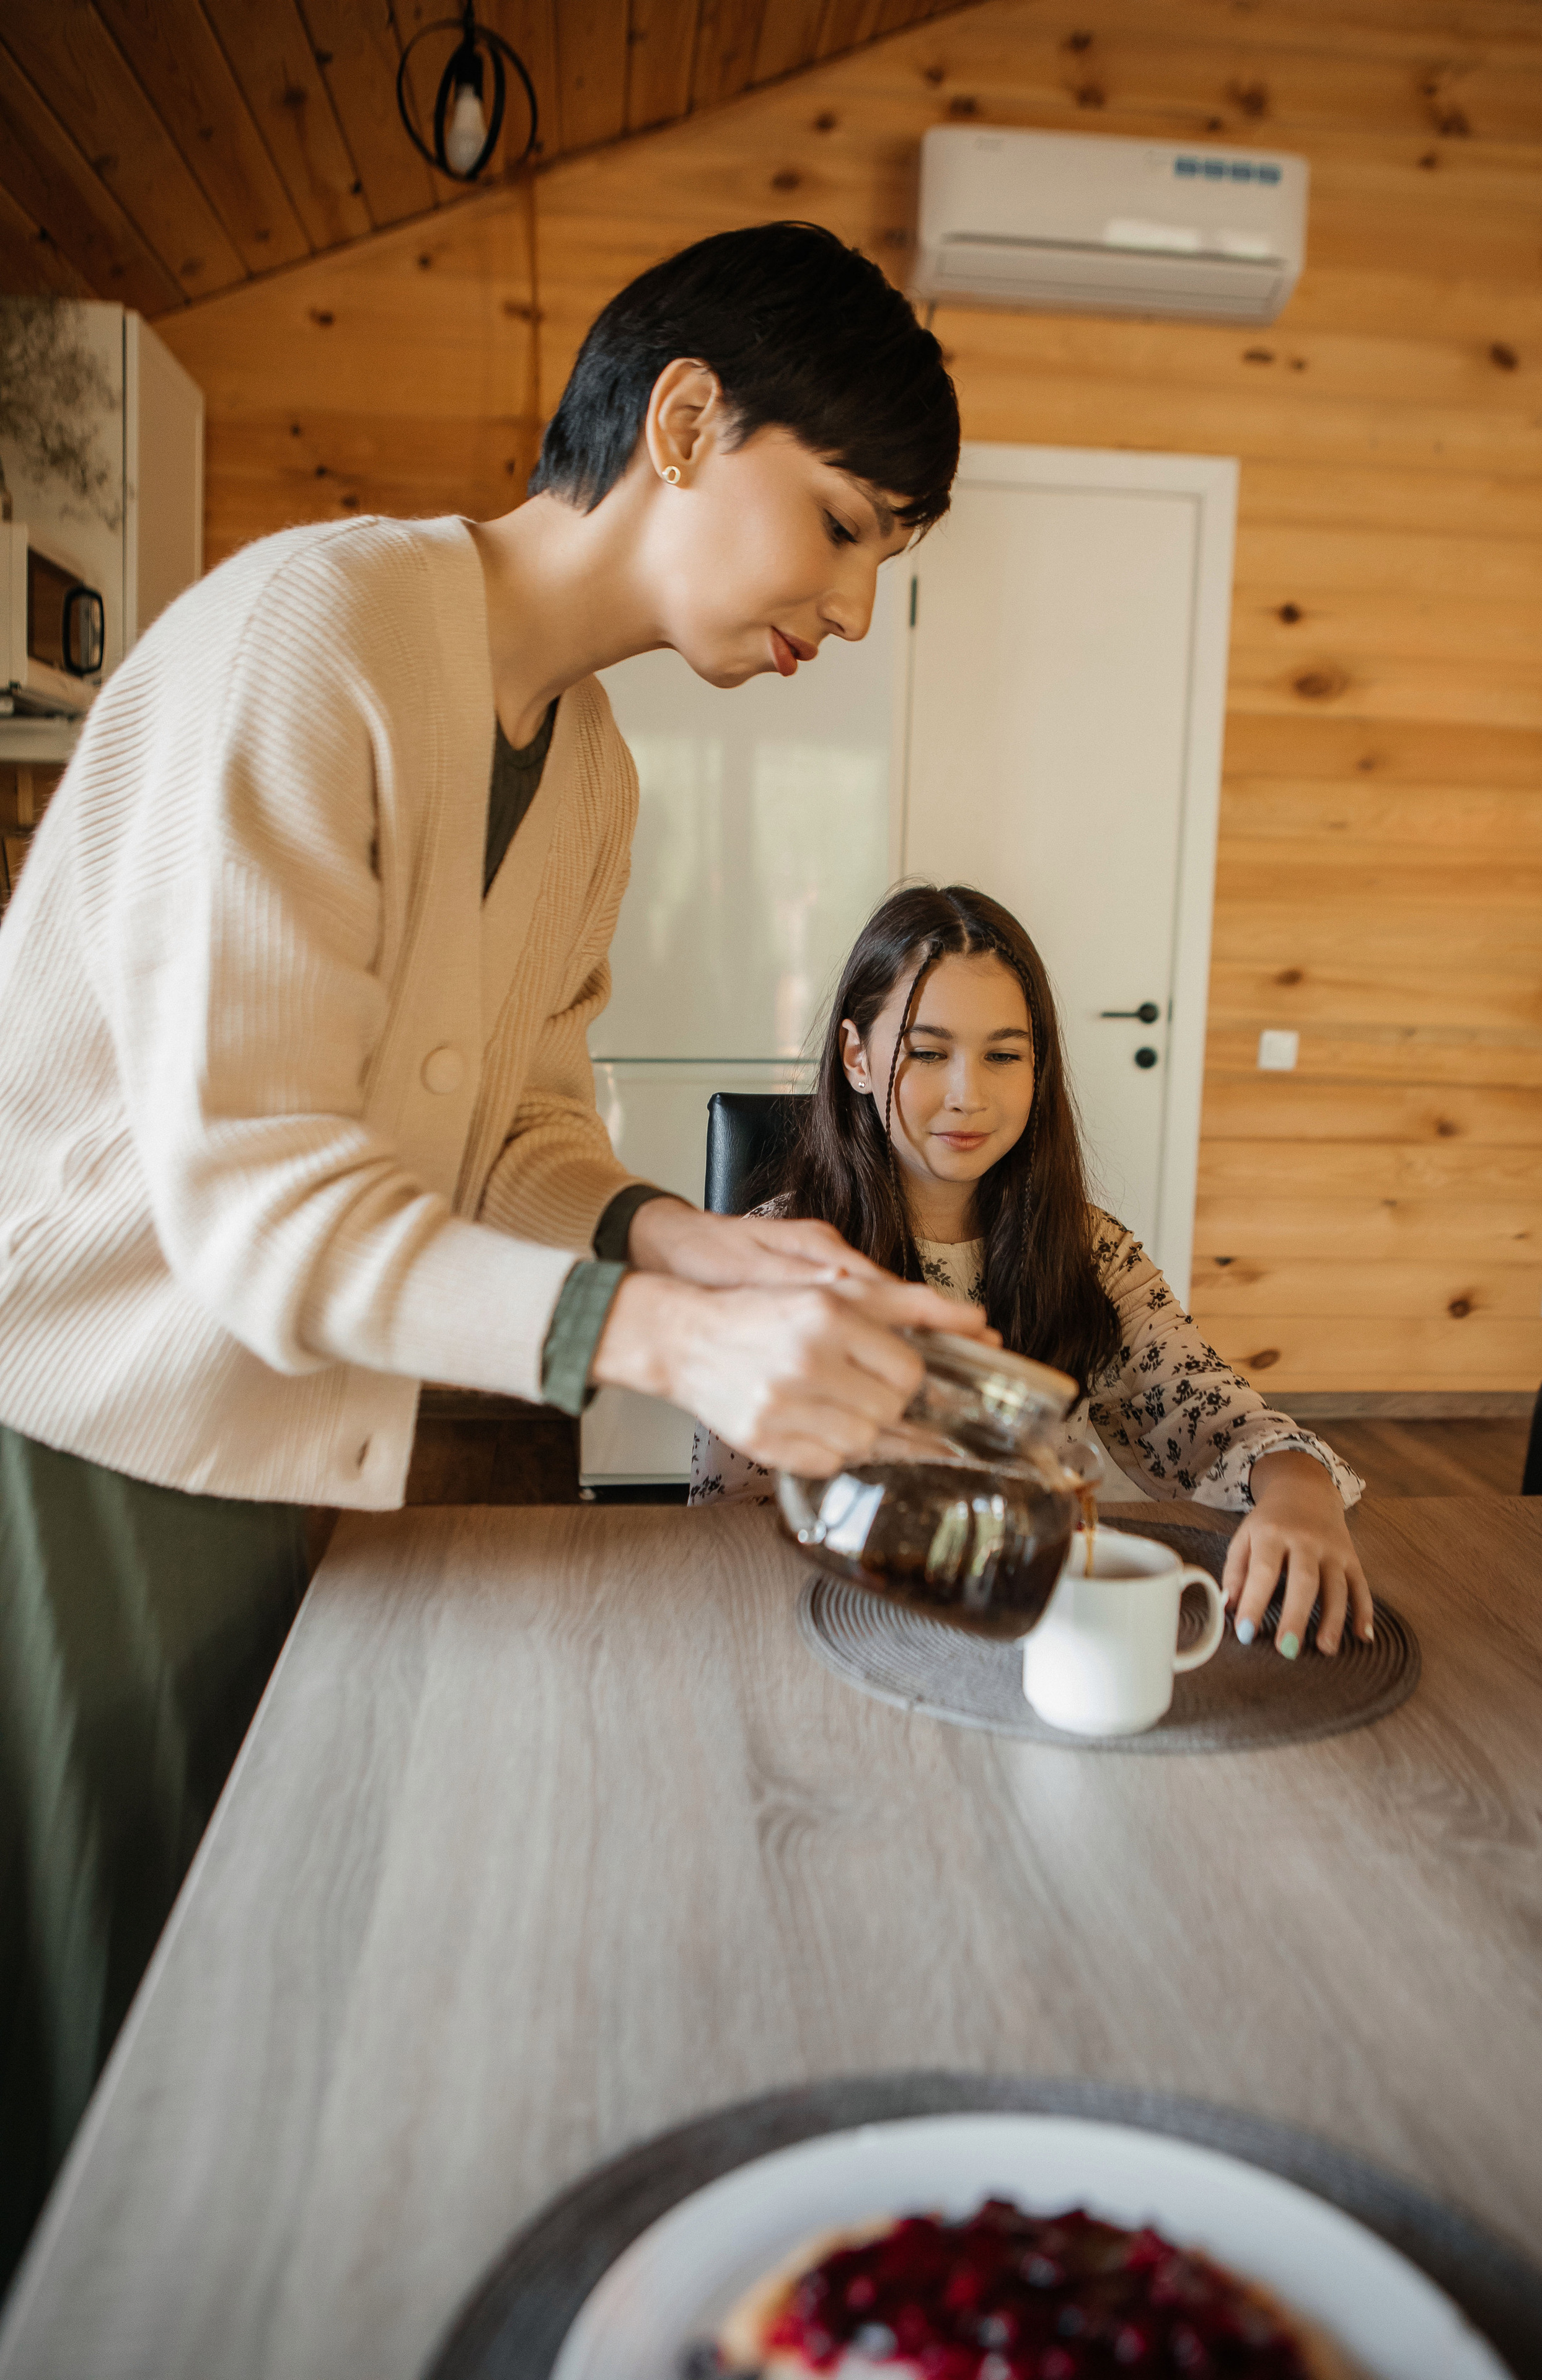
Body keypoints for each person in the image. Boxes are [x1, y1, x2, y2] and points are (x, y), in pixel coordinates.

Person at [0, 224, 982, 2288]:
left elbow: (517, 1134)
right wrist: (663, 1352)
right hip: (77, 1432)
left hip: (271, 1434)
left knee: (231, 1960)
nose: (859, 607)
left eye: (888, 558)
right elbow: (258, 1193)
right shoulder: (316, 633)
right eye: (843, 526)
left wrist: (719, 1256)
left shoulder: (598, 768)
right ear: (687, 420)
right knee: (99, 2024)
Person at [690, 883, 1373, 1658]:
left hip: (1041, 1632)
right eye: (926, 1051)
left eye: (1003, 1055)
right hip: (842, 1636)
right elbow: (730, 1526)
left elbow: (1217, 1421)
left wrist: (1300, 1492)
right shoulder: (774, 1265)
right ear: (856, 1055)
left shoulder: (1090, 1252)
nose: (967, 1095)